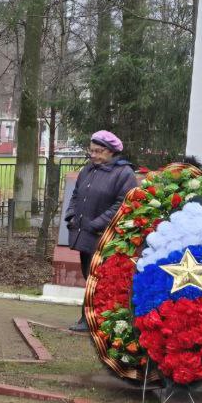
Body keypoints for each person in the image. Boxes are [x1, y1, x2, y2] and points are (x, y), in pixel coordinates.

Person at [64, 130, 137, 331]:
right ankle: (88, 318)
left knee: (99, 279)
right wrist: (71, 214)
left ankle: (93, 320)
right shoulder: (89, 169)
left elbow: (122, 204)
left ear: (111, 151)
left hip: (104, 236)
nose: (94, 155)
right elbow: (77, 194)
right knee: (89, 276)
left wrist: (96, 224)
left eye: (99, 151)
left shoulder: (124, 173)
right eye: (92, 151)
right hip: (84, 233)